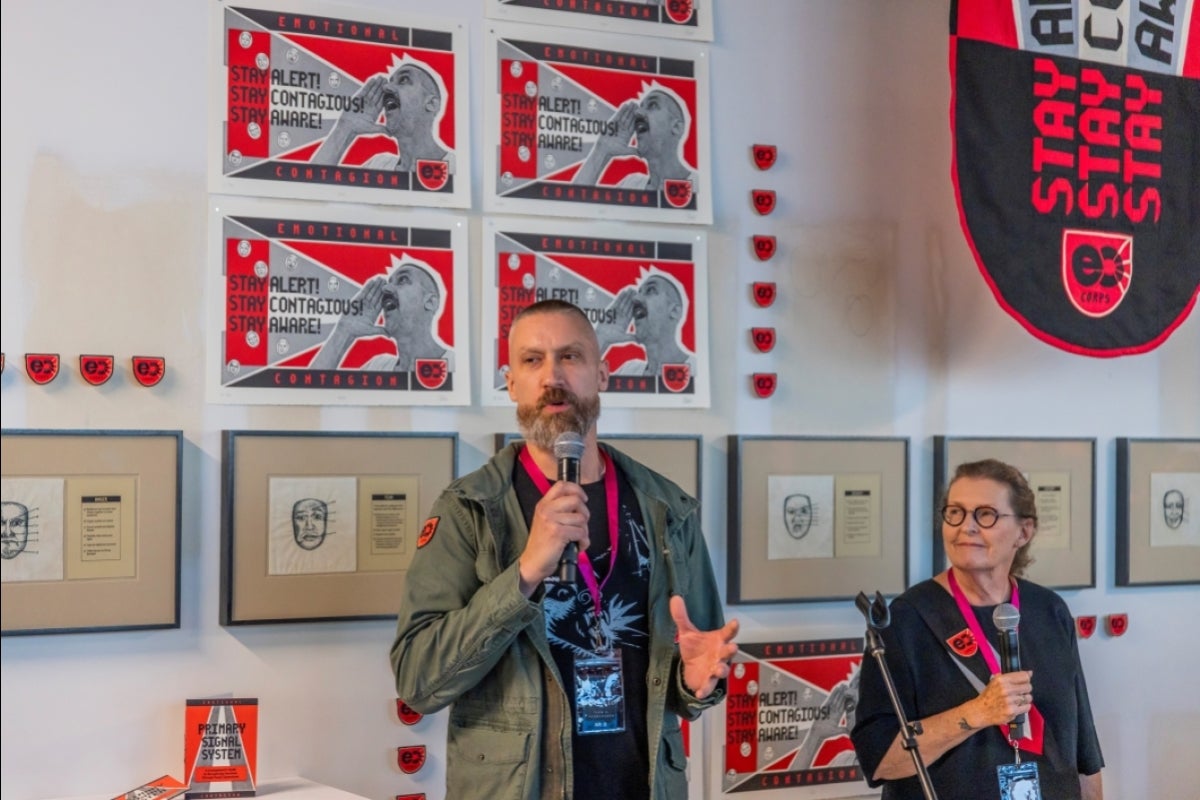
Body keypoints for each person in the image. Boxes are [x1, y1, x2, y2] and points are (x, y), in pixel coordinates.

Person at [390, 299, 739, 800]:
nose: (552, 376)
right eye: (533, 360)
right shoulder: (471, 510)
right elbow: (419, 681)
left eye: (570, 357)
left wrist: (693, 683)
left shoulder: (667, 509)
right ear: (511, 383)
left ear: (602, 374)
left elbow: (693, 669)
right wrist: (525, 572)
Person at [850, 459, 1104, 799]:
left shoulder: (1049, 610)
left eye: (986, 514)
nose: (966, 527)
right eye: (955, 513)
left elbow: (1083, 749)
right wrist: (977, 712)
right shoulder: (907, 619)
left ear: (1024, 532)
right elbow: (880, 759)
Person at [310, 258, 454, 373]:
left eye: (403, 280)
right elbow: (312, 396)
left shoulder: (457, 366)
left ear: (430, 302)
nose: (386, 288)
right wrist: (343, 332)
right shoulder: (376, 367)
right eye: (388, 282)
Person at [312, 56, 452, 172]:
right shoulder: (378, 166)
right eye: (390, 82)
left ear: (432, 104)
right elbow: (312, 189)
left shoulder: (457, 169)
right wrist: (345, 129)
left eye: (404, 80)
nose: (386, 88)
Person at [573, 83, 697, 192]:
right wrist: (602, 151)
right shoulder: (630, 185)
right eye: (640, 107)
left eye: (652, 105)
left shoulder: (700, 186)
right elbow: (574, 207)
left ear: (676, 127)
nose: (638, 113)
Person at [594, 268, 695, 378]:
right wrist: (601, 337)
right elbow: (578, 388)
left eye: (650, 290)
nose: (636, 298)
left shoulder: (698, 370)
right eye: (638, 292)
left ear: (674, 311)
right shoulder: (628, 371)